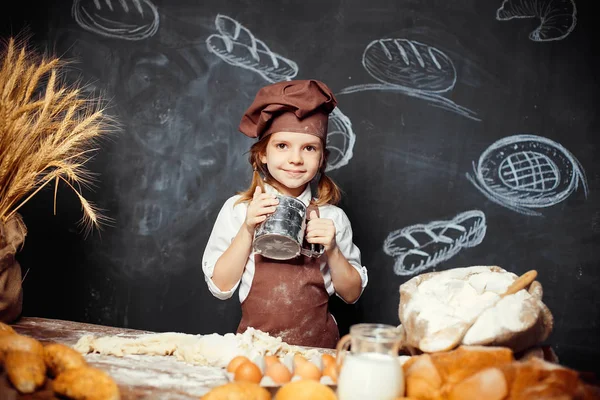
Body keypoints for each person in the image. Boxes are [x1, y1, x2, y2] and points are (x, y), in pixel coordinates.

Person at [202, 80, 368, 348]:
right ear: (263, 154)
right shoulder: (239, 210)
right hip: (254, 350)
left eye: (309, 148)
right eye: (282, 146)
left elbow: (351, 294)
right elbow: (221, 287)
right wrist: (247, 230)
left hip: (318, 351)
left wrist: (333, 249)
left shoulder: (332, 218)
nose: (296, 159)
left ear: (322, 159)